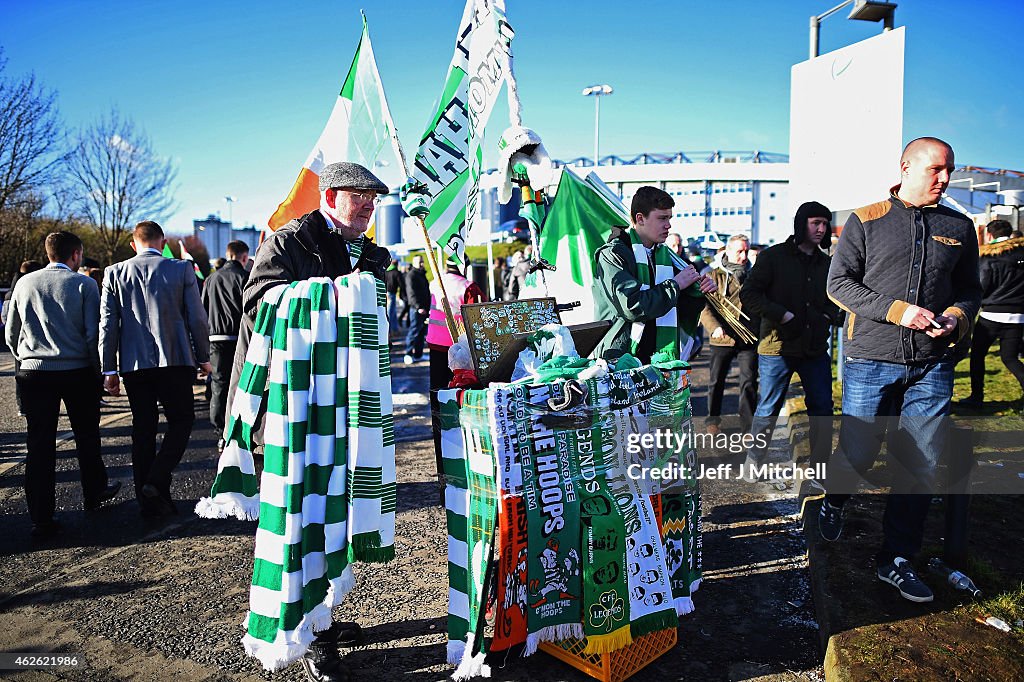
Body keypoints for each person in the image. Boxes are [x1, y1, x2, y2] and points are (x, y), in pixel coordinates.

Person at [233, 161, 391, 682]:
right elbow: (259, 306)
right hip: (295, 406)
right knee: (300, 520)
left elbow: (381, 315)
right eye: (360, 196)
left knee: (339, 518)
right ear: (329, 196)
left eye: (373, 198)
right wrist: (334, 294)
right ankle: (303, 631)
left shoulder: (375, 255)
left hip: (352, 407)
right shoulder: (289, 242)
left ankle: (323, 617)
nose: (369, 205)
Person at [820, 137, 982, 603]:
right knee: (859, 447)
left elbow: (971, 290)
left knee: (921, 460)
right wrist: (898, 311)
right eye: (935, 170)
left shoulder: (960, 225)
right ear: (906, 167)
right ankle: (834, 499)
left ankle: (896, 559)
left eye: (948, 169)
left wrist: (956, 315)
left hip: (932, 364)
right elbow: (839, 285)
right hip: (870, 357)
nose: (945, 179)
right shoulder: (866, 219)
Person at [5, 233, 120, 538]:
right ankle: (94, 492)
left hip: (34, 372)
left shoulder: (24, 283)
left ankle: (41, 516)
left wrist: (26, 357)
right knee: (87, 436)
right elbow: (93, 333)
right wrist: (100, 373)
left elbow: (11, 331)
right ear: (76, 254)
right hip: (76, 371)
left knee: (39, 444)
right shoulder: (84, 285)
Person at [100, 221, 211, 518]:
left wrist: (108, 368)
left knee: (143, 428)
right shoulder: (181, 269)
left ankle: (147, 498)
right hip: (174, 358)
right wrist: (203, 356)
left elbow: (108, 325)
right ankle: (157, 478)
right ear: (162, 242)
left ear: (133, 243)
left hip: (134, 364)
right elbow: (197, 318)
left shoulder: (114, 273)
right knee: (182, 420)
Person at [740, 201, 840, 480]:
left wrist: (828, 316)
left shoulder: (827, 263)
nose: (821, 229)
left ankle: (821, 468)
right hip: (776, 347)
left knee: (822, 407)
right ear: (801, 224)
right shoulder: (773, 257)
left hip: (815, 348)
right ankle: (754, 459)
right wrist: (780, 314)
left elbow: (834, 299)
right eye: (814, 223)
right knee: (768, 407)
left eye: (824, 223)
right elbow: (750, 294)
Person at [593, 186, 716, 364]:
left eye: (669, 218)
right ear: (640, 219)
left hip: (658, 357)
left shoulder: (667, 257)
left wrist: (699, 292)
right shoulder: (613, 254)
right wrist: (675, 285)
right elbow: (631, 307)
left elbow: (678, 308)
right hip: (620, 356)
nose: (668, 225)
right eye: (662, 218)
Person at [957, 219, 1024, 412]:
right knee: (1010, 358)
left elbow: (982, 285)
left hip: (992, 315)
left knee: (977, 356)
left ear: (989, 235)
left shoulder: (988, 257)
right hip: (1019, 315)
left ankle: (976, 397)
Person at [700, 234, 759, 434]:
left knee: (749, 383)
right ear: (728, 251)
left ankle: (748, 427)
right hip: (722, 337)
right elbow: (704, 307)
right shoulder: (713, 276)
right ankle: (712, 420)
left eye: (746, 251)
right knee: (716, 381)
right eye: (739, 251)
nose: (743, 256)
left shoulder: (755, 275)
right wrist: (714, 327)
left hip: (749, 337)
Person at [201, 239, 249, 450]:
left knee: (219, 384)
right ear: (244, 257)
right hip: (239, 338)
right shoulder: (245, 277)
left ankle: (221, 429)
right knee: (241, 383)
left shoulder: (211, 279)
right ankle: (239, 427)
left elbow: (202, 309)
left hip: (215, 338)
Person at [3, 259, 44, 417]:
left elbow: (6, 319)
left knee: (20, 376)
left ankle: (23, 405)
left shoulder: (10, 293)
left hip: (20, 343)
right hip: (32, 342)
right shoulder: (35, 289)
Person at [403, 254, 430, 364]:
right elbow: (411, 293)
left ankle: (418, 354)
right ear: (414, 263)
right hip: (416, 308)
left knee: (421, 333)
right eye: (419, 262)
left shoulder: (422, 274)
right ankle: (408, 354)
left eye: (422, 261)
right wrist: (418, 306)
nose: (422, 264)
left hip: (424, 308)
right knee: (414, 331)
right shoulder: (411, 275)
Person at [384, 257, 404, 334]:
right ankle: (390, 331)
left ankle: (395, 329)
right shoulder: (396, 272)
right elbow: (401, 284)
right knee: (390, 313)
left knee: (393, 312)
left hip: (386, 293)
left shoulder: (386, 272)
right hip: (392, 294)